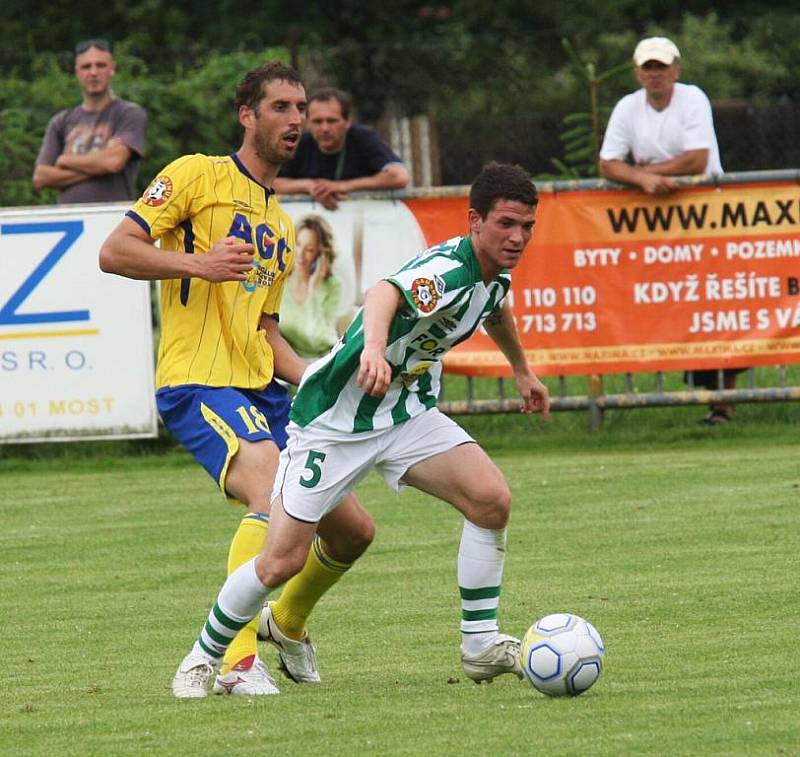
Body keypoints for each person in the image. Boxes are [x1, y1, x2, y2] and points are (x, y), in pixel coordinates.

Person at [171, 162, 551, 698]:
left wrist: (521, 370)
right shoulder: (449, 268)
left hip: (405, 414)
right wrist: (372, 348)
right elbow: (382, 293)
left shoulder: (492, 278)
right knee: (282, 560)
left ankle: (480, 644)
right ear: (475, 221)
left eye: (527, 226)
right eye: (507, 224)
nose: (517, 237)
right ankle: (201, 660)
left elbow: (496, 310)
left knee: (491, 500)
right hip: (336, 421)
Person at [99, 61, 374, 698]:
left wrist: (324, 375)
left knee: (352, 530)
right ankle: (235, 661)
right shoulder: (195, 174)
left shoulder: (279, 225)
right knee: (269, 490)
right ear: (246, 115)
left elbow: (267, 334)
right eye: (280, 107)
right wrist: (200, 262)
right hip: (198, 381)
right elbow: (113, 252)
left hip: (263, 388)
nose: (296, 120)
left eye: (300, 108)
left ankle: (289, 623)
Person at [599, 37, 739, 423]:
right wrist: (642, 179)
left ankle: (723, 402)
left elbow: (697, 159)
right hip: (654, 231)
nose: (655, 74)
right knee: (669, 303)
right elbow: (607, 163)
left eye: (662, 66)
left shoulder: (693, 98)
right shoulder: (628, 107)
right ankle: (708, 401)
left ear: (676, 69)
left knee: (715, 308)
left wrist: (642, 175)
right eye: (648, 67)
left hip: (705, 221)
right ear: (638, 72)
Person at [33, 38, 147, 203]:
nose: (93, 72)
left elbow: (113, 162)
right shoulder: (61, 121)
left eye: (100, 65)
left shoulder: (128, 113)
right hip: (70, 221)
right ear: (77, 72)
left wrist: (65, 160)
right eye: (86, 66)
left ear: (112, 69)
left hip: (114, 217)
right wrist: (98, 164)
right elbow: (41, 177)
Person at [273, 87, 410, 210]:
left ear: (347, 122)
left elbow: (399, 176)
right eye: (317, 121)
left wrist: (342, 187)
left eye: (331, 121)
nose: (324, 128)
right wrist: (310, 186)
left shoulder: (363, 138)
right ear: (307, 122)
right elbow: (270, 183)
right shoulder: (300, 142)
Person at [279, 214, 350, 359]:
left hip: (321, 361)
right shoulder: (279, 279)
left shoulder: (333, 286)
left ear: (320, 254)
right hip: (284, 363)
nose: (300, 254)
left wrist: (313, 291)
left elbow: (318, 339)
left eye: (309, 249)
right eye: (298, 244)